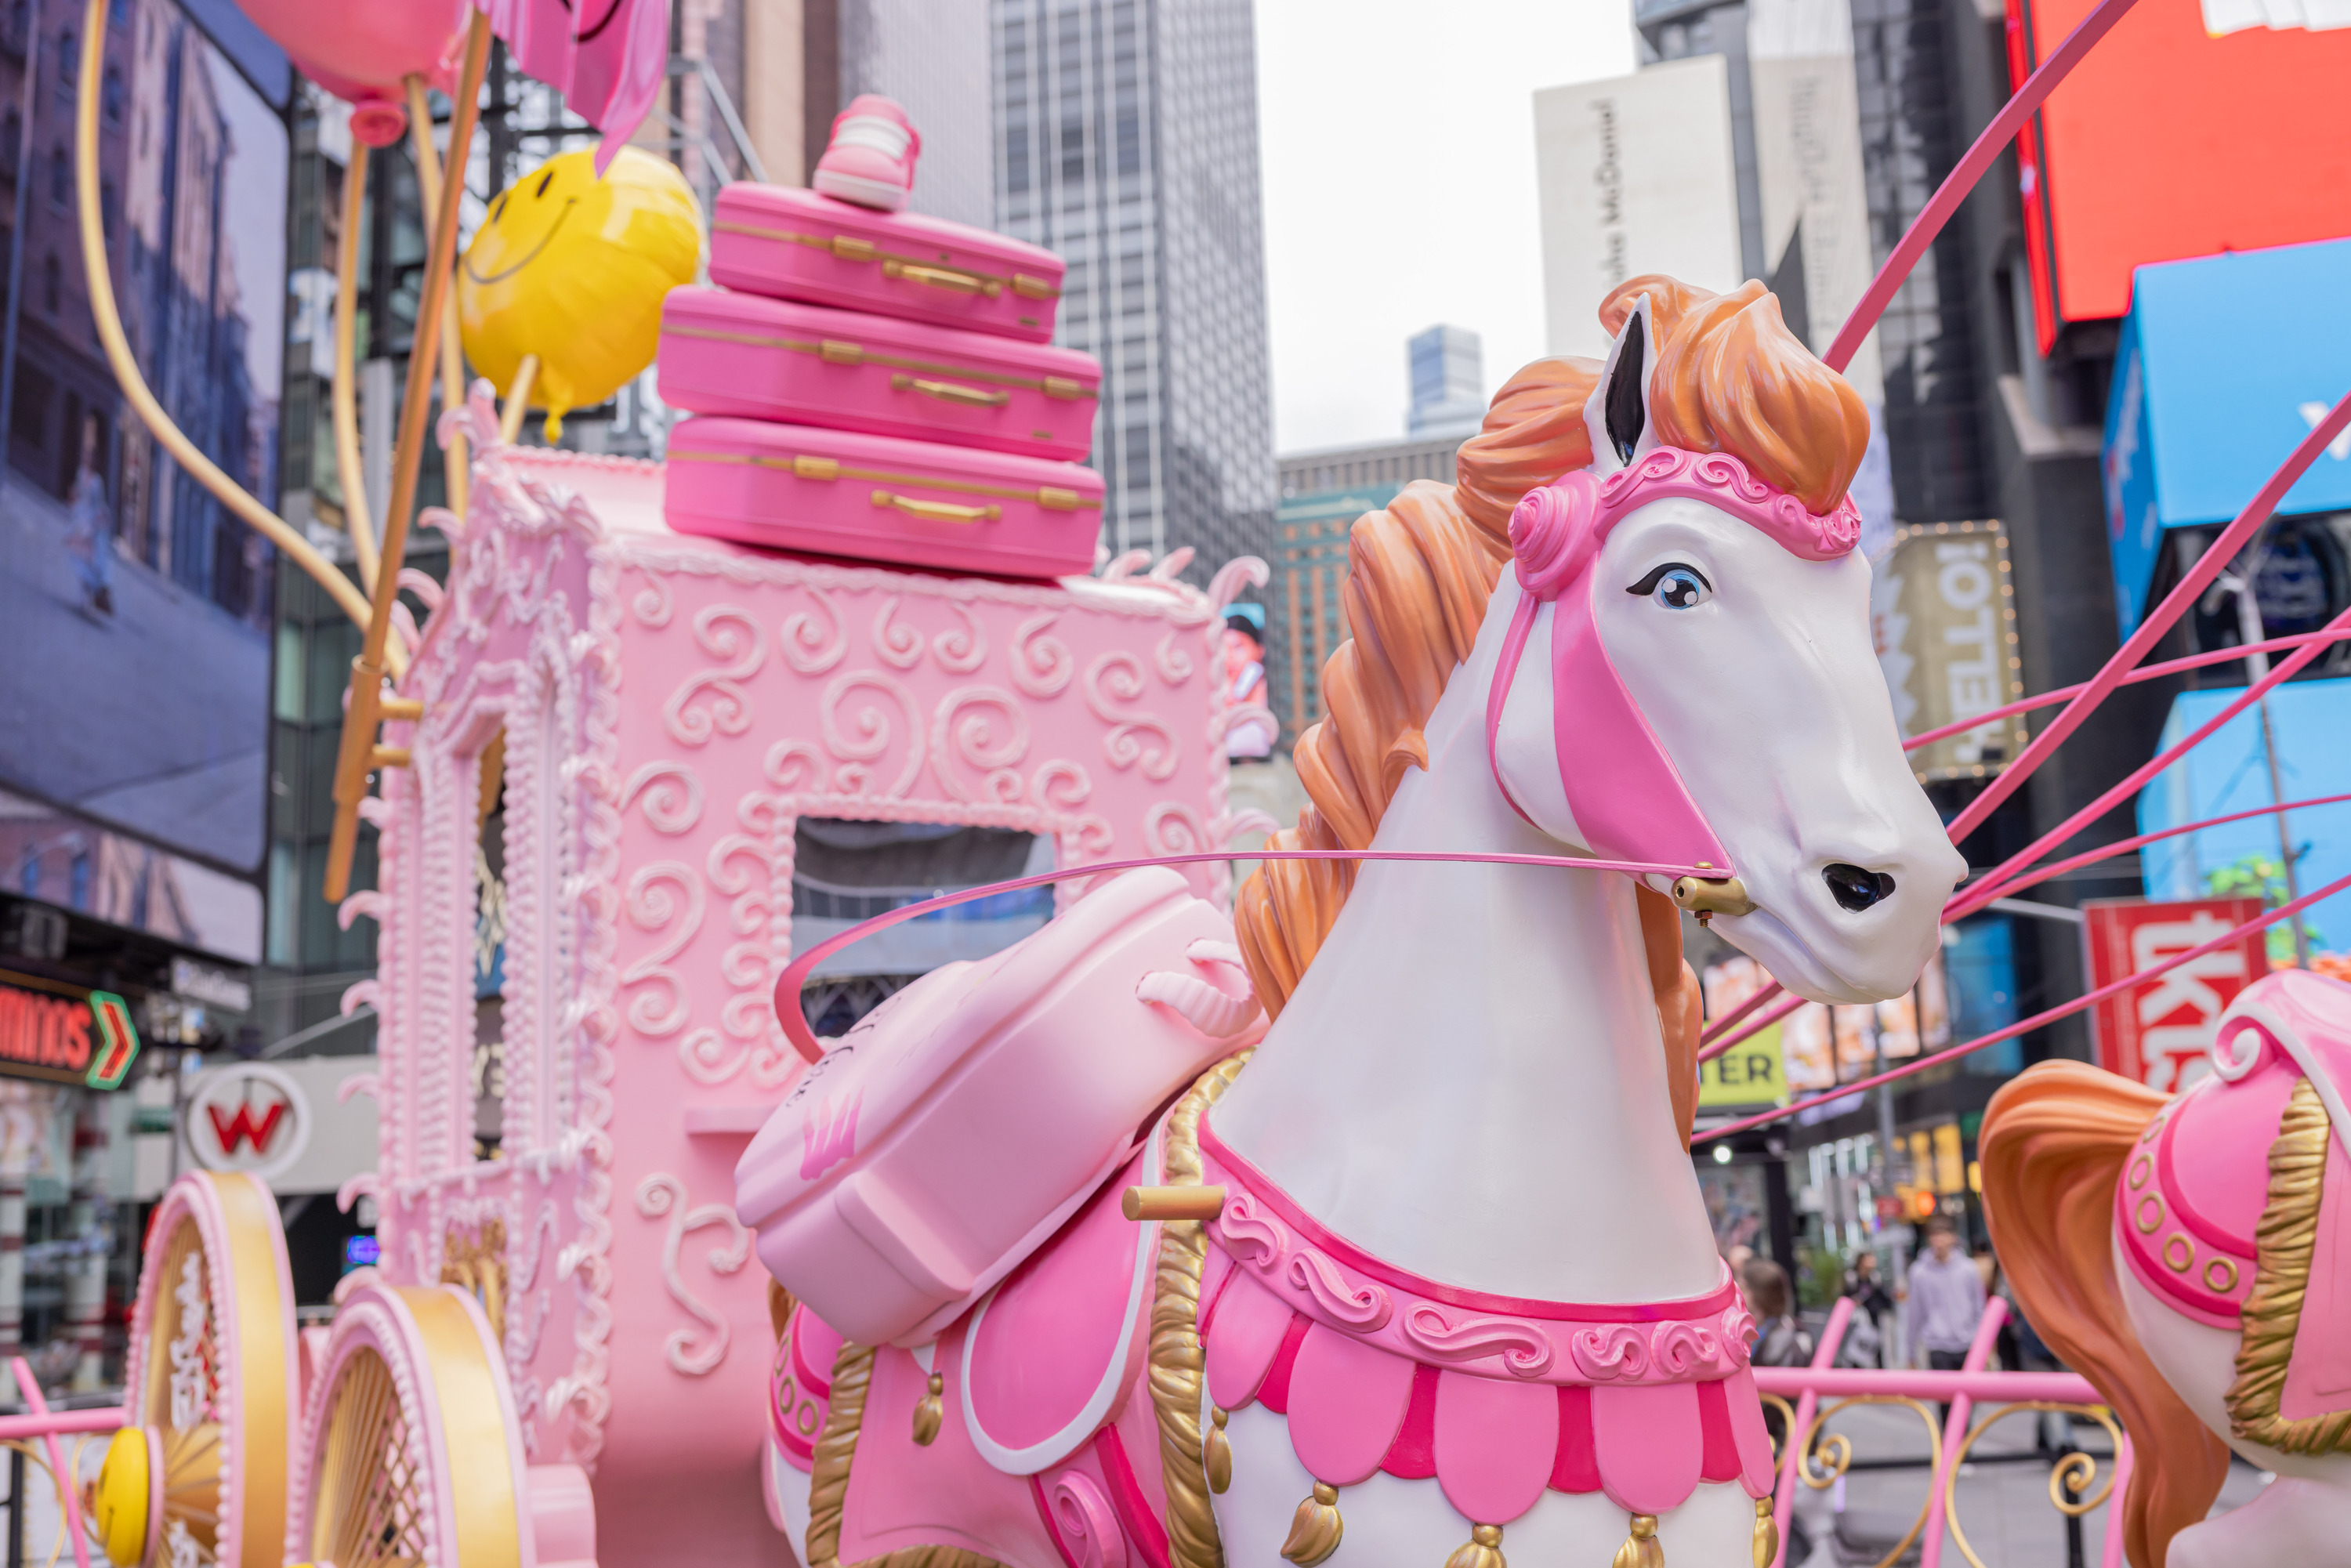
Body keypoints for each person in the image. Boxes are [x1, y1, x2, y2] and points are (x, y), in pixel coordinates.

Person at [1909, 1215, 1986, 1418]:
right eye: (1934, 1236)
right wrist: (1910, 1353)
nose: (1939, 1241)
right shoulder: (1919, 1272)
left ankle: (1963, 1445)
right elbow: (1914, 1314)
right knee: (1946, 1403)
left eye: (1943, 1235)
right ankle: (1951, 1447)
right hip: (1938, 1345)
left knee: (1969, 1402)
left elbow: (1979, 1308)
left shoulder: (1968, 1269)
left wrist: (1981, 1344)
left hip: (1966, 1343)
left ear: (1953, 1238)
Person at [64, 416, 115, 617]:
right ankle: (84, 598)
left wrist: (99, 520)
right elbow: (76, 493)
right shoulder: (81, 474)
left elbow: (99, 503)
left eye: (91, 457)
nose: (88, 459)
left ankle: (91, 597)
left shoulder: (97, 481)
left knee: (90, 559)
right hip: (80, 518)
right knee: (79, 557)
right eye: (86, 455)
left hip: (90, 522)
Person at [1838, 1250, 1893, 1367]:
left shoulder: (1875, 1278)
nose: (1872, 1262)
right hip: (1856, 1321)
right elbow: (1844, 1297)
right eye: (1869, 1259)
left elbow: (1882, 1298)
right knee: (1855, 1349)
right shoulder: (1851, 1277)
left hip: (1872, 1319)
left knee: (1877, 1348)